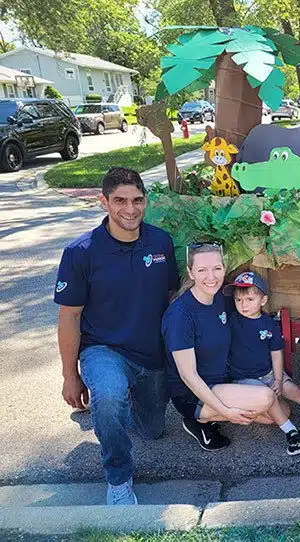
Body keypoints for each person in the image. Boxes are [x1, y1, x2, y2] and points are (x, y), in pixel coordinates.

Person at [55, 167, 180, 505]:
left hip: (150, 353)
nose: (130, 209)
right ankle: (119, 479)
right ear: (104, 202)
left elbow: (171, 297)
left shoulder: (161, 242)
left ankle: (111, 411)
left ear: (146, 202)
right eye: (120, 200)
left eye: (137, 200)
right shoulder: (81, 252)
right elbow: (69, 316)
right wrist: (71, 376)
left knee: (152, 430)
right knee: (109, 398)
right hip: (103, 348)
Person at [161, 243, 300, 455]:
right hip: (193, 392)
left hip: (225, 379)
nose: (211, 276)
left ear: (224, 268)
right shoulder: (180, 316)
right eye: (202, 270)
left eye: (217, 268)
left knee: (283, 411)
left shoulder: (222, 296)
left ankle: (224, 408)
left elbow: (251, 315)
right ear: (190, 272)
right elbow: (188, 376)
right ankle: (197, 419)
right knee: (265, 398)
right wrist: (225, 411)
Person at [224, 270, 300, 455]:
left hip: (269, 373)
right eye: (238, 300)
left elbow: (276, 353)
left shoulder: (268, 324)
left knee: (293, 390)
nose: (243, 305)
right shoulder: (231, 321)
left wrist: (278, 380)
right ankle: (291, 431)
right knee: (278, 410)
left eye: (250, 299)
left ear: (263, 301)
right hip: (245, 379)